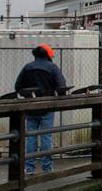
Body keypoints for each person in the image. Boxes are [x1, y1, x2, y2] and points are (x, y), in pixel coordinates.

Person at [14, 44, 67, 175]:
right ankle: (47, 167)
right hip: (47, 106)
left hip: (31, 107)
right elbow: (62, 86)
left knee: (30, 138)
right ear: (48, 55)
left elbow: (18, 86)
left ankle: (29, 168)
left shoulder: (27, 67)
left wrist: (27, 95)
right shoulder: (53, 68)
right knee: (46, 137)